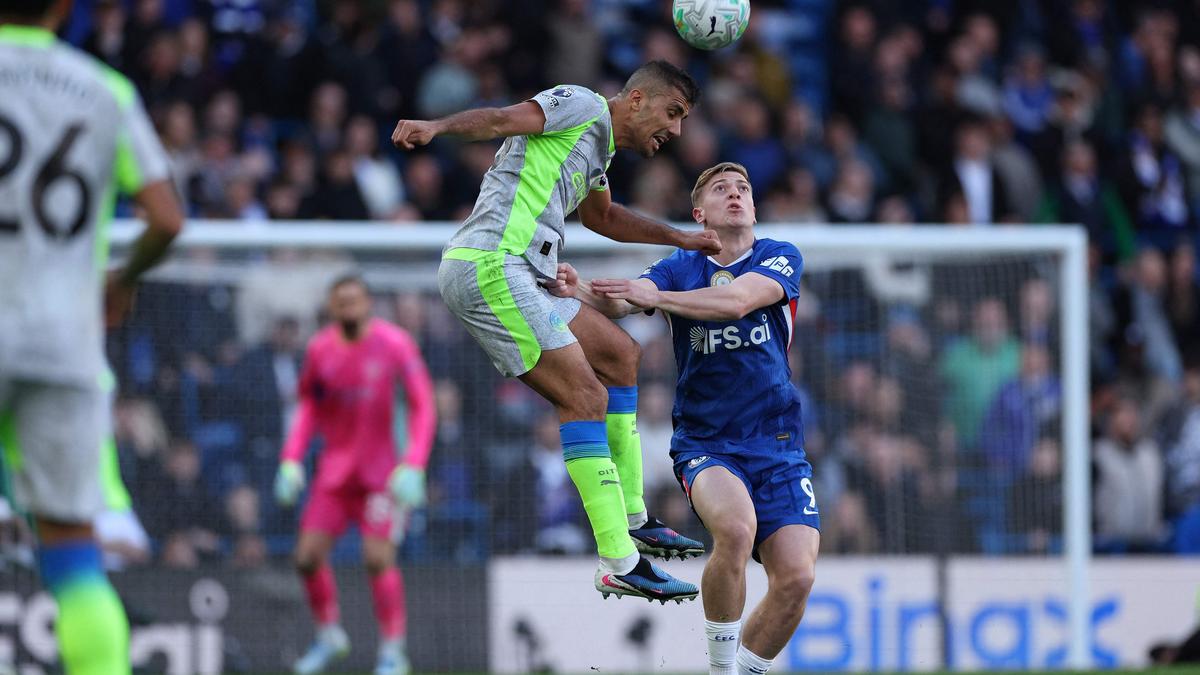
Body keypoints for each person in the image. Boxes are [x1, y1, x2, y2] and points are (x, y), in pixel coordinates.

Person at [392, 60, 716, 601]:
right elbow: (501, 119)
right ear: (635, 100)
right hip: (492, 265)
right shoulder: (583, 104)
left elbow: (604, 218)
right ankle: (619, 558)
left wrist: (680, 239)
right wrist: (437, 127)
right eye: (673, 112)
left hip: (523, 274)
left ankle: (633, 517)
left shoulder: (598, 147)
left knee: (620, 355)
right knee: (585, 396)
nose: (677, 130)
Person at [549, 162, 820, 675]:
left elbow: (739, 302)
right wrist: (580, 291)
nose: (736, 194)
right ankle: (720, 669)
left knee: (797, 580)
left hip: (779, 443)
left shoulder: (780, 257)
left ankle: (744, 670)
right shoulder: (678, 265)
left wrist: (660, 300)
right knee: (737, 532)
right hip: (707, 442)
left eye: (744, 187)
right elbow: (628, 301)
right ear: (700, 214)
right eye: (721, 189)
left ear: (754, 207)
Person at [0, 0, 183, 671]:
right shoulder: (104, 89)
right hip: (62, 338)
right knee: (74, 551)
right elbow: (165, 216)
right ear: (63, 8)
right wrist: (121, 278)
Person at [273, 275, 436, 675]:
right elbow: (309, 406)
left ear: (367, 303)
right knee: (307, 558)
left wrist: (414, 462)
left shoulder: (395, 343)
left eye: (354, 300)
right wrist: (291, 458)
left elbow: (424, 405)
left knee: (377, 558)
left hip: (383, 475)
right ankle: (330, 636)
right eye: (340, 302)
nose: (347, 308)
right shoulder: (319, 349)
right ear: (331, 307)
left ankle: (393, 651)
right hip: (335, 475)